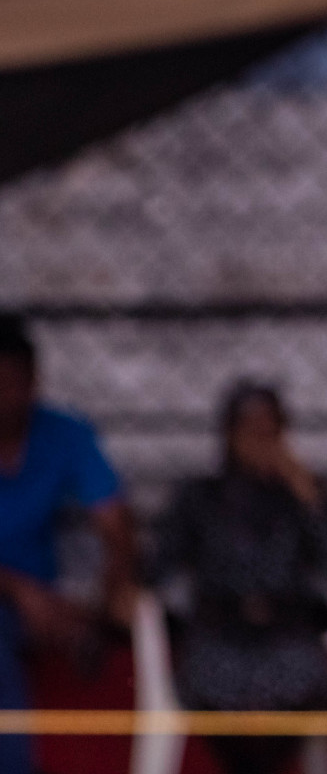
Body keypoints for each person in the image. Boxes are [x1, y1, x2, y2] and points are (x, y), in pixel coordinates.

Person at [152, 381, 327, 774]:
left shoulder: (305, 493)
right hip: (219, 636)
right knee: (222, 692)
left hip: (289, 635)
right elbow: (157, 571)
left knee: (299, 686)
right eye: (250, 428)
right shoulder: (199, 497)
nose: (261, 440)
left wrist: (310, 500)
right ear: (229, 434)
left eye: (270, 429)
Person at [0, 313, 136, 774]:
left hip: (43, 597)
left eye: (16, 383)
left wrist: (109, 597)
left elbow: (114, 522)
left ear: (35, 381)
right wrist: (20, 593)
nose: (7, 398)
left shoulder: (63, 433)